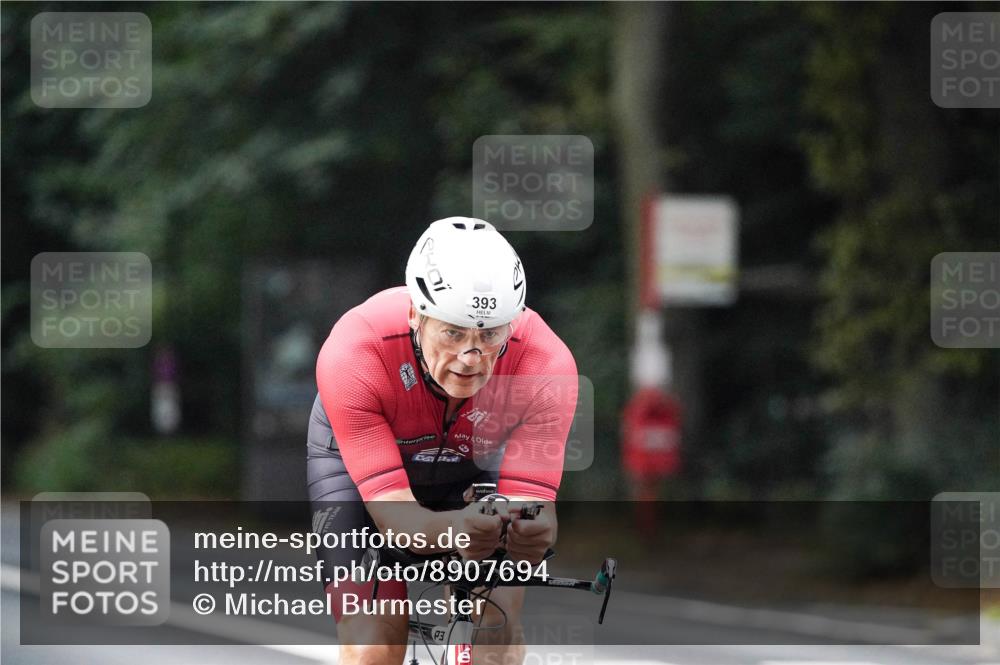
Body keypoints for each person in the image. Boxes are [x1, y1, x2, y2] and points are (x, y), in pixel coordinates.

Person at [307, 217, 578, 665]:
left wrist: (533, 533)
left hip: (476, 465)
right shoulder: (356, 352)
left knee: (497, 639)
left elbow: (537, 508)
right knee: (373, 643)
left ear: (513, 324)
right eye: (452, 332)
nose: (470, 358)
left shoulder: (544, 364)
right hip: (362, 474)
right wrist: (458, 529)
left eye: (490, 335)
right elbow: (398, 521)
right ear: (415, 314)